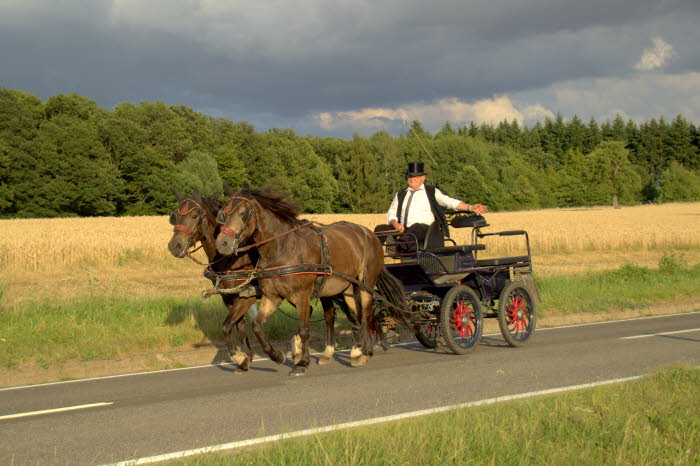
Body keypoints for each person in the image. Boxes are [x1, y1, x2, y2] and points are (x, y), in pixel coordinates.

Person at [377, 161, 488, 249]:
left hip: (425, 230)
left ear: (423, 178)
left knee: (417, 227)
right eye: (410, 176)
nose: (412, 179)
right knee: (380, 228)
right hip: (402, 230)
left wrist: (470, 207)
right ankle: (370, 257)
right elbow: (391, 213)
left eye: (415, 176)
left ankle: (398, 245)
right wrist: (395, 223)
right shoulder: (401, 194)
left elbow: (449, 202)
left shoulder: (431, 191)